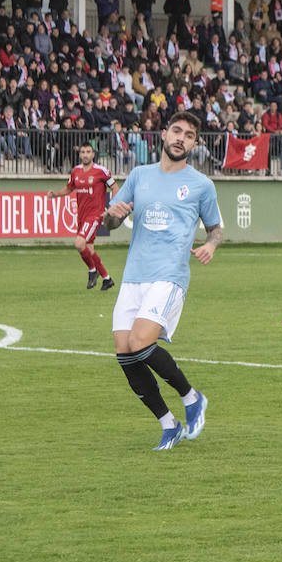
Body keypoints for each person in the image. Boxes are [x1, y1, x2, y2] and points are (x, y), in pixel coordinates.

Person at [102, 111, 222, 450]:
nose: (181, 138)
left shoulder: (202, 185)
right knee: (125, 352)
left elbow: (216, 228)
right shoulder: (139, 176)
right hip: (133, 275)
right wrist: (112, 216)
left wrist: (211, 245)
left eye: (189, 134)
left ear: (195, 144)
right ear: (164, 134)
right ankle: (169, 425)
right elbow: (108, 223)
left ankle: (191, 397)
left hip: (169, 275)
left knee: (140, 341)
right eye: (176, 130)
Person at [48, 142, 117, 290]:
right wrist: (56, 195)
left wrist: (111, 208)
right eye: (83, 152)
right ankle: (107, 278)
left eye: (88, 152)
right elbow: (69, 188)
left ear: (93, 154)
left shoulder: (102, 171)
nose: (85, 155)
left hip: (95, 214)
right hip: (82, 215)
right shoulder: (76, 171)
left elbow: (115, 187)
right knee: (89, 249)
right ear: (80, 154)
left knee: (79, 244)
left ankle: (92, 271)